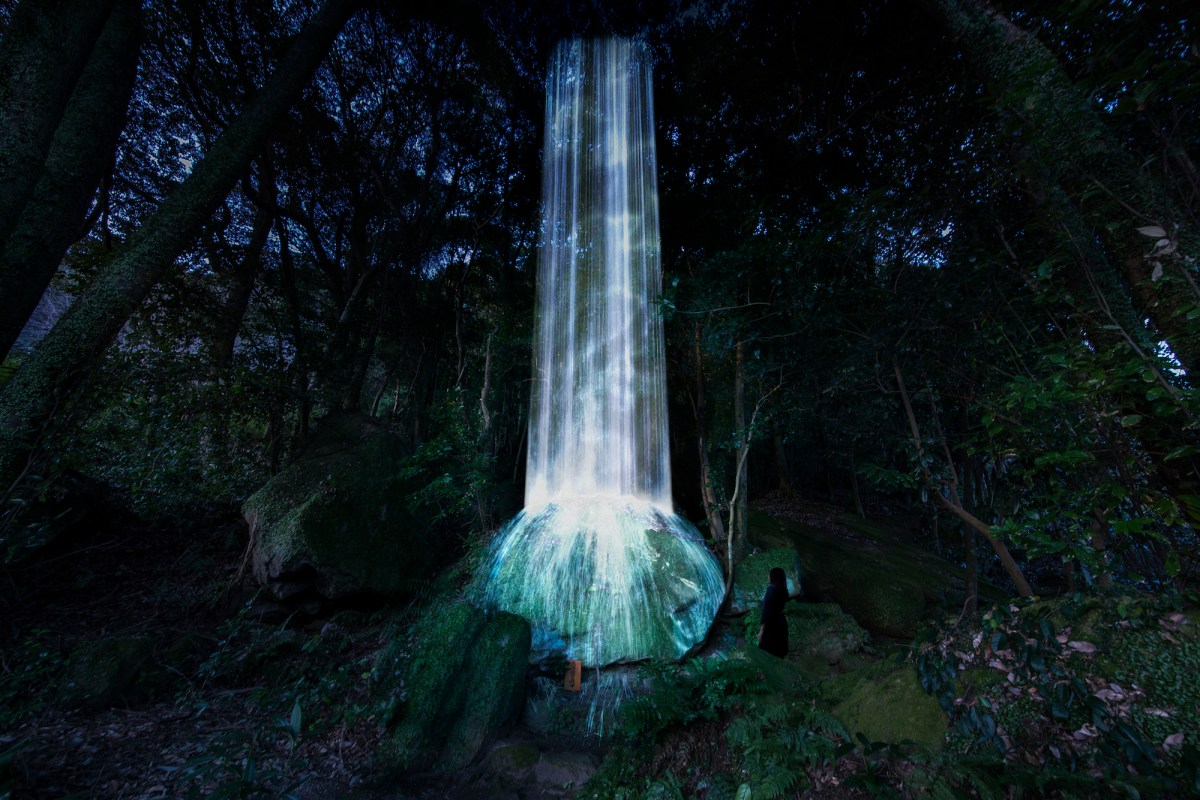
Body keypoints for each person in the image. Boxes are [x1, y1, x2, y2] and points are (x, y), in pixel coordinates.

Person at [757, 567, 789, 658]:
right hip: (781, 624)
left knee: (765, 654)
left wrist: (761, 631)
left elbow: (766, 612)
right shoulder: (783, 590)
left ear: (773, 577)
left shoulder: (771, 590)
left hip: (771, 626)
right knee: (778, 654)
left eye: (769, 574)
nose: (768, 576)